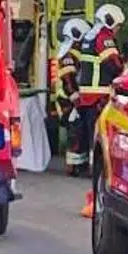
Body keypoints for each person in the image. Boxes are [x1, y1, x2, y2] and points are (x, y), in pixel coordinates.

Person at [71, 3, 126, 180]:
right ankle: (98, 170)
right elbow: (113, 63)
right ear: (110, 22)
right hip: (99, 95)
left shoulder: (89, 35)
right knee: (100, 134)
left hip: (87, 96)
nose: (117, 30)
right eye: (117, 26)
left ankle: (91, 166)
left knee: (90, 133)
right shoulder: (103, 37)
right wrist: (126, 71)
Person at [49, 17, 90, 153]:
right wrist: (75, 97)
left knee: (77, 131)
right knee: (76, 132)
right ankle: (74, 166)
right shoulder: (68, 55)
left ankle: (76, 163)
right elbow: (69, 78)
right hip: (68, 101)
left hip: (68, 99)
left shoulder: (71, 52)